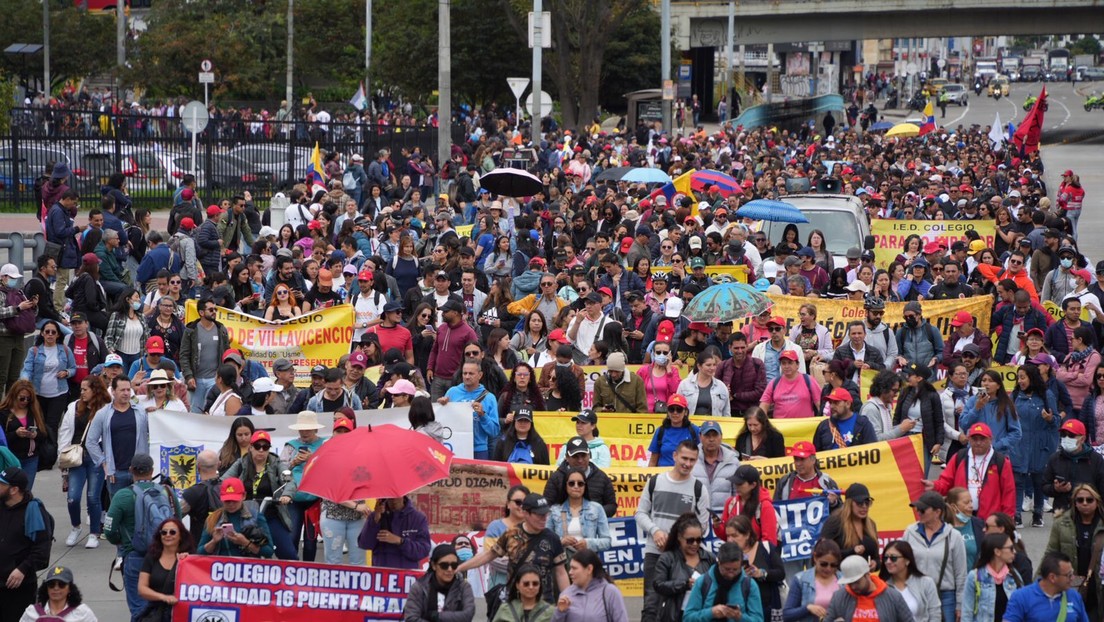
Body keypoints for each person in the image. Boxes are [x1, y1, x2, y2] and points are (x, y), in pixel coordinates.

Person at [636, 440, 712, 621]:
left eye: (692, 460)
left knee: (679, 605)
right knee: (651, 605)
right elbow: (640, 514)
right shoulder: (655, 482)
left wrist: (675, 540)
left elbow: (702, 527)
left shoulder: (699, 489)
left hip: (682, 557)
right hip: (654, 552)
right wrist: (655, 531)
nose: (687, 463)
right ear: (675, 456)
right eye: (684, 458)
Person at [103, 454, 182, 618]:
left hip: (135, 556)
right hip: (165, 559)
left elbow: (109, 530)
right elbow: (178, 523)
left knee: (140, 610)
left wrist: (122, 543)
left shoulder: (123, 496)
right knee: (166, 608)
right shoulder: (167, 492)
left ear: (131, 470)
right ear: (152, 470)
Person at [457, 493, 569, 606]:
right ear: (526, 513)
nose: (544, 518)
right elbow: (488, 555)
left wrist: (566, 598)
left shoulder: (552, 538)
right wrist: (459, 568)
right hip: (515, 604)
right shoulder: (511, 534)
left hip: (544, 605)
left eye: (546, 514)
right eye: (539, 515)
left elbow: (561, 572)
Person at [222, 430, 296, 559]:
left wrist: (287, 495)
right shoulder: (241, 463)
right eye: (257, 446)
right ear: (250, 448)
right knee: (243, 552)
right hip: (246, 516)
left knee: (288, 554)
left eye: (265, 447)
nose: (261, 450)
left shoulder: (277, 463)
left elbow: (290, 481)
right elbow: (224, 481)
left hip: (271, 514)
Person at [57, 376, 111, 549]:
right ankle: (76, 527)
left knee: (93, 497)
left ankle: (94, 533)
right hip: (76, 457)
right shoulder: (73, 407)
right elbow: (65, 433)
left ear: (95, 390)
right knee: (73, 497)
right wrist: (63, 460)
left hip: (96, 457)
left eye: (85, 389)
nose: (81, 393)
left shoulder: (105, 409)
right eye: (80, 389)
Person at [927, 423, 1018, 520]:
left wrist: (1007, 519)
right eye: (975, 439)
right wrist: (934, 486)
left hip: (990, 520)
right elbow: (946, 482)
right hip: (961, 517)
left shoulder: (1001, 461)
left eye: (982, 439)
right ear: (969, 439)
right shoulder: (959, 457)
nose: (978, 442)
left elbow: (1009, 493)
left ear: (990, 440)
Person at [903, 491, 968, 622]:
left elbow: (961, 574)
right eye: (917, 509)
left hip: (945, 596)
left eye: (923, 509)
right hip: (916, 593)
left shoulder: (954, 536)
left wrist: (960, 605)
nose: (918, 512)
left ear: (937, 512)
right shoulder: (910, 533)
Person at [0, 467, 52, 622]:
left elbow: (42, 549)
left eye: (1, 484)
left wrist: (22, 569)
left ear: (14, 489)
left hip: (19, 587)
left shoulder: (33, 510)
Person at [86, 376, 148, 497]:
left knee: (140, 510)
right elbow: (90, 441)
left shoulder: (141, 412)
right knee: (119, 510)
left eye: (128, 390)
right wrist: (103, 463)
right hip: (116, 473)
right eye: (122, 390)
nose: (126, 393)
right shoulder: (103, 413)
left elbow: (154, 433)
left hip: (139, 472)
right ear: (113, 391)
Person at [653, 513, 715, 622]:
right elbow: (658, 585)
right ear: (679, 537)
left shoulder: (709, 558)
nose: (695, 544)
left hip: (703, 615)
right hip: (675, 616)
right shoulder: (667, 558)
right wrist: (685, 584)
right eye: (690, 540)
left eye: (699, 540)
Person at [20, 320, 76, 439]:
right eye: (47, 331)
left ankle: (51, 451)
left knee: (52, 425)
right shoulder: (33, 351)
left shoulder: (65, 350)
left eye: (53, 332)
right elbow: (27, 369)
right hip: (38, 394)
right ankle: (40, 451)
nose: (50, 334)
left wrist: (66, 373)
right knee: (39, 424)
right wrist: (24, 380)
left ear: (58, 335)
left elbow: (73, 368)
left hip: (59, 394)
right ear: (42, 334)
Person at [682, 542, 764, 622]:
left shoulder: (749, 585)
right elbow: (687, 618)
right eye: (727, 569)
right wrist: (711, 613)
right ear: (719, 563)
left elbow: (758, 619)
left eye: (735, 569)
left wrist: (740, 617)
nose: (731, 574)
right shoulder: (703, 582)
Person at [1043, 483, 1104, 589]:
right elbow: (1050, 554)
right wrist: (1038, 583)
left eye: (1089, 500)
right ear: (1075, 503)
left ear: (1097, 502)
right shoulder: (1061, 523)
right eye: (1080, 500)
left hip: (1099, 586)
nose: (1085, 503)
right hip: (1072, 585)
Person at [725, 515, 785, 621]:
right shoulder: (725, 555)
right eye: (728, 536)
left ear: (747, 534)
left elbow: (781, 573)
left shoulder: (765, 547)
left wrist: (761, 573)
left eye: (734, 535)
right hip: (740, 613)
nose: (730, 540)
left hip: (767, 610)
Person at [196, 477, 275, 558]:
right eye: (227, 501)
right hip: (222, 567)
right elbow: (199, 552)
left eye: (235, 500)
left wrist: (245, 543)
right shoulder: (213, 518)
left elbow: (269, 551)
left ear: (244, 496)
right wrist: (213, 541)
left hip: (248, 567)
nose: (231, 504)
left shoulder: (256, 516)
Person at [1002, 552, 1090, 622]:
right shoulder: (1021, 597)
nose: (1073, 578)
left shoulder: (1074, 596)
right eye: (1069, 575)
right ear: (1052, 577)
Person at [439, 358, 499, 459]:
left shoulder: (489, 397)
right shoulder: (452, 392)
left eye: (471, 374)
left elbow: (494, 431)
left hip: (479, 450)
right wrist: (442, 405)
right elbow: (442, 422)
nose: (467, 376)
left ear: (480, 375)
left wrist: (483, 415)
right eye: (464, 373)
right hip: (455, 446)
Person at [546, 467, 612, 560]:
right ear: (565, 486)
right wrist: (561, 541)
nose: (576, 486)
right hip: (562, 564)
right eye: (571, 483)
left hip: (588, 562)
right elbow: (545, 540)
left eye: (580, 483)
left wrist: (588, 544)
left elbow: (607, 541)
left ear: (585, 486)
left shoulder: (597, 508)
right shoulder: (554, 510)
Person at [136, 517, 193, 622]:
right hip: (156, 613)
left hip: (182, 613)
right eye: (164, 532)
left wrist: (188, 562)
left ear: (181, 536)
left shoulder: (189, 559)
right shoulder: (152, 556)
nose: (168, 535)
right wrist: (163, 597)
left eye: (172, 532)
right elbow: (142, 588)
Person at [544, 437, 617, 517]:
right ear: (567, 458)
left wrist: (595, 513)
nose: (580, 460)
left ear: (589, 455)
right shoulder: (556, 478)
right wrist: (566, 514)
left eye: (583, 455)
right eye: (575, 456)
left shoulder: (601, 477)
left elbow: (612, 505)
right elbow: (546, 506)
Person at [179, 297, 230, 413]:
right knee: (194, 413)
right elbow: (184, 355)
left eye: (215, 309)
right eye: (211, 310)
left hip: (215, 379)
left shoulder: (221, 329)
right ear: (201, 312)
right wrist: (189, 376)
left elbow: (227, 352)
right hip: (196, 380)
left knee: (212, 413)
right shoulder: (191, 330)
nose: (214, 312)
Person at [824, 554, 913, 621]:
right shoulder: (839, 597)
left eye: (857, 582)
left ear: (867, 575)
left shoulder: (893, 596)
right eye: (850, 583)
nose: (853, 587)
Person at [961, 532, 1026, 622]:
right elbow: (967, 613)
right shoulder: (975, 577)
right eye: (1010, 548)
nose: (1014, 551)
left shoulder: (1014, 575)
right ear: (997, 552)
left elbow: (1023, 609)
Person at [1043, 419, 1104, 514]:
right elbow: (1044, 486)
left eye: (1071, 435)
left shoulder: (1096, 459)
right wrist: (1056, 489)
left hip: (1089, 515)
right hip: (1062, 515)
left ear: (1082, 439)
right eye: (1063, 435)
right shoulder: (1055, 458)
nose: (1066, 438)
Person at [403, 543, 476, 622]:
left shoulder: (464, 587)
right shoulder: (419, 587)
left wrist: (435, 616)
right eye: (444, 565)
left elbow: (468, 615)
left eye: (454, 565)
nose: (450, 569)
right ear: (434, 565)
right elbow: (411, 618)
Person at [553, 549, 629, 622]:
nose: (570, 572)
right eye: (570, 568)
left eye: (574, 568)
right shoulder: (566, 595)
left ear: (589, 569)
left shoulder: (610, 592)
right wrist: (560, 612)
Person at [959, 370, 1023, 458]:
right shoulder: (972, 401)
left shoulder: (1006, 404)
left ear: (998, 385)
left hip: (998, 454)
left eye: (990, 381)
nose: (986, 383)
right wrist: (976, 408)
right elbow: (963, 424)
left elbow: (1016, 432)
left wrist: (997, 445)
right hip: (974, 453)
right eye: (984, 380)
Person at [358, 495, 431, 570]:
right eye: (391, 497)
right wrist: (375, 520)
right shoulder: (376, 515)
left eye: (397, 496)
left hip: (407, 575)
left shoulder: (418, 518)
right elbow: (364, 544)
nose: (394, 500)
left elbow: (423, 550)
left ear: (404, 495)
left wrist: (400, 541)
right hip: (381, 573)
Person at [1, 381, 48, 489]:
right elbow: (2, 439)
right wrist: (15, 434)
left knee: (25, 493)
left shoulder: (34, 411)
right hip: (10, 459)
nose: (25, 401)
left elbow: (44, 434)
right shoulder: (4, 413)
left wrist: (35, 435)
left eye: (28, 399)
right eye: (22, 398)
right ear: (14, 395)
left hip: (30, 458)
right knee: (8, 493)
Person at [782, 539, 842, 622]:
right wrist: (808, 608)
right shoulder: (800, 579)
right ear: (815, 558)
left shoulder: (844, 580)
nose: (828, 568)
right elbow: (787, 614)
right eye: (824, 564)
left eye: (833, 565)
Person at [820, 482, 880, 566]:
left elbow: (876, 557)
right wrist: (852, 551)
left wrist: (875, 563)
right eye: (859, 503)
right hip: (839, 576)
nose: (864, 506)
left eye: (867, 503)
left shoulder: (871, 524)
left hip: (863, 576)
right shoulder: (835, 522)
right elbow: (823, 552)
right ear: (849, 504)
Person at [773, 440, 841, 511]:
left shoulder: (826, 481)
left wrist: (834, 503)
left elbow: (840, 513)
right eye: (796, 459)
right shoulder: (785, 481)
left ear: (813, 460)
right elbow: (775, 510)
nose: (798, 464)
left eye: (802, 459)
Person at [720, 464, 778, 546]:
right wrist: (717, 526)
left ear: (753, 485)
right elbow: (726, 536)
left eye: (740, 484)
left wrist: (754, 554)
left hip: (757, 556)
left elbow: (769, 541)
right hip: (735, 555)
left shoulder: (765, 506)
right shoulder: (730, 503)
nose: (736, 486)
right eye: (735, 483)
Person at [692, 420, 740, 517]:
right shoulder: (691, 459)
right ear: (700, 437)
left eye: (715, 435)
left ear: (721, 436)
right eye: (707, 435)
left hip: (725, 520)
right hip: (696, 519)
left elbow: (738, 495)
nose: (711, 439)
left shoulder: (733, 462)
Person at [18, 565, 97, 622]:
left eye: (61, 584)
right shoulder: (32, 612)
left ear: (70, 588)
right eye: (51, 584)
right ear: (46, 588)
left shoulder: (82, 612)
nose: (56, 588)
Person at [759, 350, 821, 419]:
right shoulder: (774, 383)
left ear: (797, 365)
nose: (786, 366)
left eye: (790, 363)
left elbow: (820, 404)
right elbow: (763, 406)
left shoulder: (809, 380)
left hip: (806, 427)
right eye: (783, 363)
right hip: (780, 428)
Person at [812, 387, 877, 451]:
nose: (831, 406)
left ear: (848, 404)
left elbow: (872, 451)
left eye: (836, 402)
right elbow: (815, 455)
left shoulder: (863, 424)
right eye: (830, 402)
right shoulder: (824, 426)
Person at [718, 333, 767, 415]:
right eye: (736, 348)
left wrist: (735, 395)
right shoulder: (723, 366)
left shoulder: (757, 364)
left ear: (747, 346)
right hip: (729, 413)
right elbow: (715, 390)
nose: (740, 351)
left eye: (742, 348)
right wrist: (725, 392)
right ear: (730, 348)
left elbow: (760, 391)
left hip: (752, 413)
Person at [647, 395, 700, 467]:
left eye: (679, 409)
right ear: (668, 412)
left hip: (687, 474)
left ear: (686, 412)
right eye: (672, 409)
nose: (675, 412)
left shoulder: (694, 431)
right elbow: (653, 461)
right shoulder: (660, 431)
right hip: (663, 475)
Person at [677, 348, 731, 418]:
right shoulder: (684, 385)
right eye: (708, 365)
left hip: (713, 426)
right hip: (690, 425)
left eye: (714, 365)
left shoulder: (721, 386)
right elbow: (677, 408)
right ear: (699, 366)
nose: (712, 368)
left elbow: (726, 413)